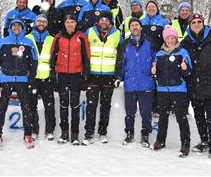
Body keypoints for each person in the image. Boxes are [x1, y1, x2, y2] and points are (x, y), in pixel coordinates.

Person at [180, 14, 211, 161]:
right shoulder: (186, 42)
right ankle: (204, 141)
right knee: (199, 116)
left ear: (203, 23)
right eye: (193, 22)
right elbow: (180, 58)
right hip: (194, 85)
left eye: (199, 22)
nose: (196, 24)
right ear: (190, 25)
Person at [0, 19, 38, 151]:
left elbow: (34, 62)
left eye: (19, 26)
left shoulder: (28, 42)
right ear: (10, 28)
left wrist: (32, 78)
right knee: (1, 109)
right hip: (6, 80)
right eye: (14, 25)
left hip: (23, 80)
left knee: (27, 109)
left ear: (22, 28)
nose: (16, 28)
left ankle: (28, 135)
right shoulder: (3, 42)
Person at [151, 25, 192, 157]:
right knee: (163, 117)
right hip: (162, 90)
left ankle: (185, 143)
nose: (170, 40)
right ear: (165, 39)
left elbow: (188, 72)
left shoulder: (182, 52)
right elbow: (156, 73)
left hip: (179, 90)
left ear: (175, 38)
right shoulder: (159, 54)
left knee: (181, 117)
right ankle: (160, 141)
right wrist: (154, 72)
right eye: (168, 38)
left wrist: (185, 68)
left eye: (172, 37)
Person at [82, 11, 123, 145]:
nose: (104, 22)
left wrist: (118, 75)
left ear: (110, 22)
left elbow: (120, 57)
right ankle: (89, 133)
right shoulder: (90, 32)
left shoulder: (117, 34)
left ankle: (103, 132)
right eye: (102, 19)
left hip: (109, 76)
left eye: (106, 20)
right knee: (91, 106)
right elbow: (84, 52)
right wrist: (85, 72)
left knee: (105, 106)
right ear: (98, 21)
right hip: (93, 75)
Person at [50, 15, 90, 145]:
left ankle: (75, 134)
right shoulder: (58, 37)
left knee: (75, 105)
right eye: (67, 22)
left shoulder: (81, 37)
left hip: (76, 75)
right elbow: (53, 56)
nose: (70, 24)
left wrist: (85, 76)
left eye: (72, 22)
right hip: (62, 75)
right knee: (63, 105)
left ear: (75, 24)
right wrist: (52, 74)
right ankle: (64, 133)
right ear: (65, 24)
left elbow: (86, 57)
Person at [116, 18, 156, 147]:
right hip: (130, 83)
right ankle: (129, 134)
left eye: (136, 25)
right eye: (132, 25)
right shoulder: (125, 44)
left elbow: (156, 59)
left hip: (146, 82)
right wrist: (118, 77)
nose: (134, 27)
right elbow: (121, 63)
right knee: (130, 112)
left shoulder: (149, 42)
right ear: (130, 28)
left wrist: (155, 71)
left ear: (140, 27)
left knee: (146, 112)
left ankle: (145, 135)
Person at [25, 14, 56, 141]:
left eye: (44, 22)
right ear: (34, 23)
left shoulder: (51, 39)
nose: (41, 24)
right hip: (32, 77)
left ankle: (49, 130)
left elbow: (54, 58)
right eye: (39, 21)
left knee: (49, 106)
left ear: (47, 24)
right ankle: (34, 129)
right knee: (31, 105)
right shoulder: (27, 37)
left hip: (46, 77)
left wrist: (53, 74)